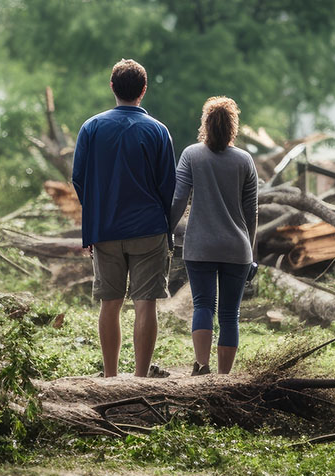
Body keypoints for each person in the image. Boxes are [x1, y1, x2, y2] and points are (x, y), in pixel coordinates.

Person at [71, 59, 177, 378]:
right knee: (146, 304)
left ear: (112, 87)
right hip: (149, 229)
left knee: (110, 303)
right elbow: (168, 185)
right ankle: (141, 378)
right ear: (143, 90)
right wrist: (166, 229)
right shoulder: (158, 131)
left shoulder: (91, 128)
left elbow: (78, 178)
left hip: (105, 230)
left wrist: (93, 221)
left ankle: (110, 377)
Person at [169, 96, 258, 375]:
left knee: (203, 305)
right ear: (233, 127)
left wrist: (167, 233)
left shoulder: (191, 155)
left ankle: (202, 366)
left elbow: (178, 200)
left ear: (205, 124)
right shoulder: (245, 160)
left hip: (200, 247)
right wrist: (250, 251)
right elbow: (251, 212)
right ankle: (223, 377)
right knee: (230, 314)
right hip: (237, 249)